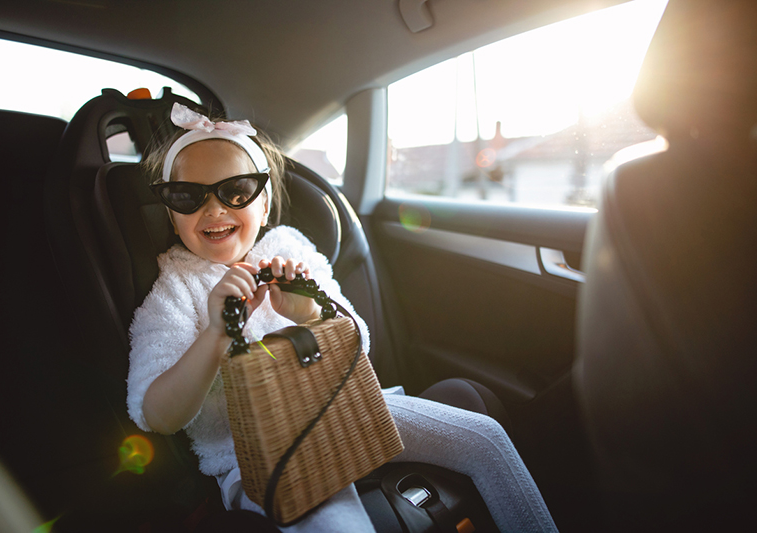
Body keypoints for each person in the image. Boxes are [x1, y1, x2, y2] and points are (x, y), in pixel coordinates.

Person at [127, 103, 558, 532]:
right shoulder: (174, 287)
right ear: (170, 212)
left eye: (237, 190)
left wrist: (311, 313)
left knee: (485, 438)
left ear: (265, 202)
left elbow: (358, 345)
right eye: (188, 196)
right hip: (259, 453)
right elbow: (157, 415)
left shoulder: (289, 249)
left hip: (351, 409)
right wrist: (217, 334)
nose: (215, 209)